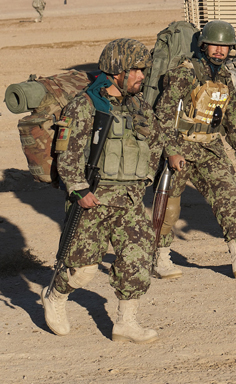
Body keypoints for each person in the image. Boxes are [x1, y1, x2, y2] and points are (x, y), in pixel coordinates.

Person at [41, 38, 164, 343]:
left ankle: (126, 323)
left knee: (136, 259)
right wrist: (79, 189)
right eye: (135, 70)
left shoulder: (139, 107)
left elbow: (157, 141)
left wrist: (145, 180)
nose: (141, 76)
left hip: (129, 199)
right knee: (82, 270)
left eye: (142, 70)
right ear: (116, 71)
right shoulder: (86, 105)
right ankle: (55, 295)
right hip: (91, 199)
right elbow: (67, 153)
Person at [153, 20, 236, 279]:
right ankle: (160, 258)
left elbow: (232, 115)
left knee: (228, 193)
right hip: (180, 146)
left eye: (224, 47)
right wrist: (171, 151)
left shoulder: (225, 77)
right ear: (204, 45)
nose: (219, 51)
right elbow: (163, 114)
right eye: (214, 45)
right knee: (169, 204)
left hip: (209, 147)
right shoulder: (183, 73)